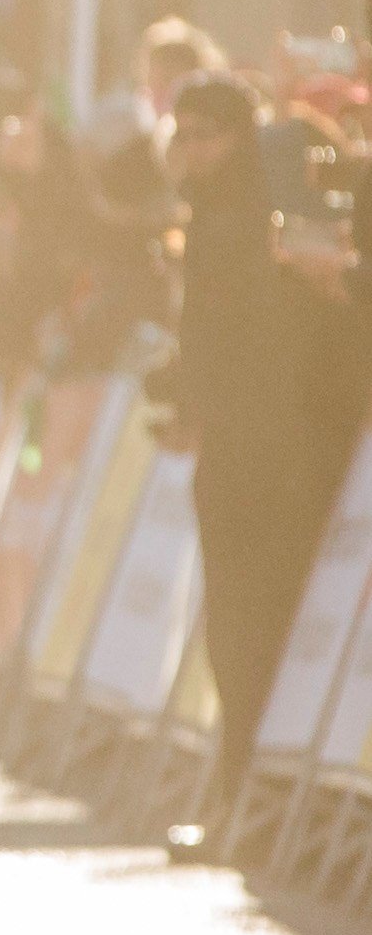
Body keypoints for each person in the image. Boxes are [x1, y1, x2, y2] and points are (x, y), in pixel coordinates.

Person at [152, 72, 352, 843]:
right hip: (231, 451)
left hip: (281, 455)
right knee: (232, 626)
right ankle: (240, 791)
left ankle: (262, 800)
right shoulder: (206, 216)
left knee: (265, 626)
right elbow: (204, 337)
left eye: (208, 134)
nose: (193, 150)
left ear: (239, 136)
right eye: (184, 134)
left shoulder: (264, 214)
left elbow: (269, 338)